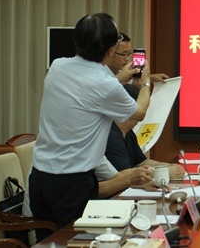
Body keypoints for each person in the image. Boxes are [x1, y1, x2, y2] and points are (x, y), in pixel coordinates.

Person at [29, 13, 152, 236]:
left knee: (46, 242)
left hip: (40, 178)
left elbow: (91, 89)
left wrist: (120, 78)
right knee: (76, 240)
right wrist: (145, 84)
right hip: (72, 183)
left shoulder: (58, 66)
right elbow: (140, 112)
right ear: (111, 49)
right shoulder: (105, 85)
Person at [106, 83, 185, 180]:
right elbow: (125, 175)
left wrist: (169, 166)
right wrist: (165, 172)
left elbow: (142, 162)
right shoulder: (110, 136)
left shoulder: (128, 133)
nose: (145, 112)